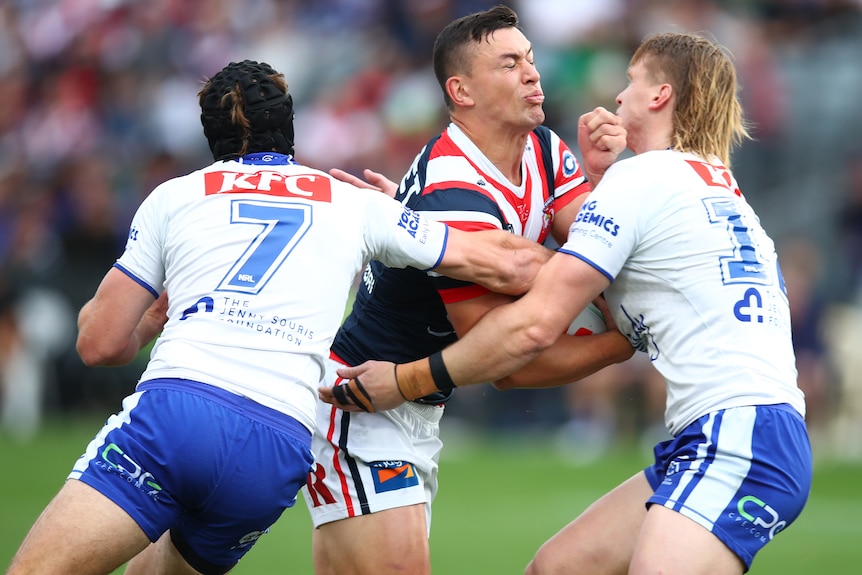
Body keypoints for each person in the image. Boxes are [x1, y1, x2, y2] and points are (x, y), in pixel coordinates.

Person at [4, 59, 551, 575]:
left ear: (211, 135)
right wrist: (600, 263)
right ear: (290, 129)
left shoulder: (175, 196)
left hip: (178, 412)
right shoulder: (352, 202)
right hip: (277, 448)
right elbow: (505, 263)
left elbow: (98, 344)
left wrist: (150, 322)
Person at [326, 32, 813, 575]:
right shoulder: (715, 186)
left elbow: (530, 330)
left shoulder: (640, 180)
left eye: (630, 81)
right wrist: (430, 221)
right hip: (725, 433)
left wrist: (406, 376)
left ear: (659, 96)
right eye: (513, 63)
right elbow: (603, 265)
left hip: (740, 437)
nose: (618, 95)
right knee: (557, 569)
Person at [302, 5, 634, 575]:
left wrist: (603, 181)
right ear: (462, 90)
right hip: (362, 404)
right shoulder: (451, 184)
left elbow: (600, 249)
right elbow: (510, 364)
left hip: (411, 401)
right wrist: (627, 339)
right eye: (509, 64)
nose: (533, 73)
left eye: (529, 59)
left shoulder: (546, 149)